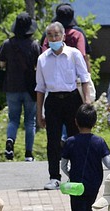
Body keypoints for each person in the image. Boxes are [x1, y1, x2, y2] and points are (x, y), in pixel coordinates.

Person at [35, 21, 91, 191]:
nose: (53, 38)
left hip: (72, 98)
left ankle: (77, 174)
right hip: (52, 101)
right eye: (50, 36)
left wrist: (87, 103)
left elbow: (84, 78)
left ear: (63, 36)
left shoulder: (73, 54)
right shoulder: (42, 58)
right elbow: (40, 88)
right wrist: (39, 113)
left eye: (56, 35)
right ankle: (54, 177)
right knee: (52, 140)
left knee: (76, 138)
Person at [0, 13, 41, 162]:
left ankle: (10, 141)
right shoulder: (34, 45)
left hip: (11, 86)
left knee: (13, 120)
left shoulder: (7, 44)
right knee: (30, 121)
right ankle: (28, 154)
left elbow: (1, 64)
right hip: (30, 88)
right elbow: (38, 66)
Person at [40, 4, 91, 69]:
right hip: (74, 72)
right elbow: (84, 56)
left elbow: (43, 55)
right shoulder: (78, 34)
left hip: (52, 70)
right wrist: (87, 74)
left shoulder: (49, 33)